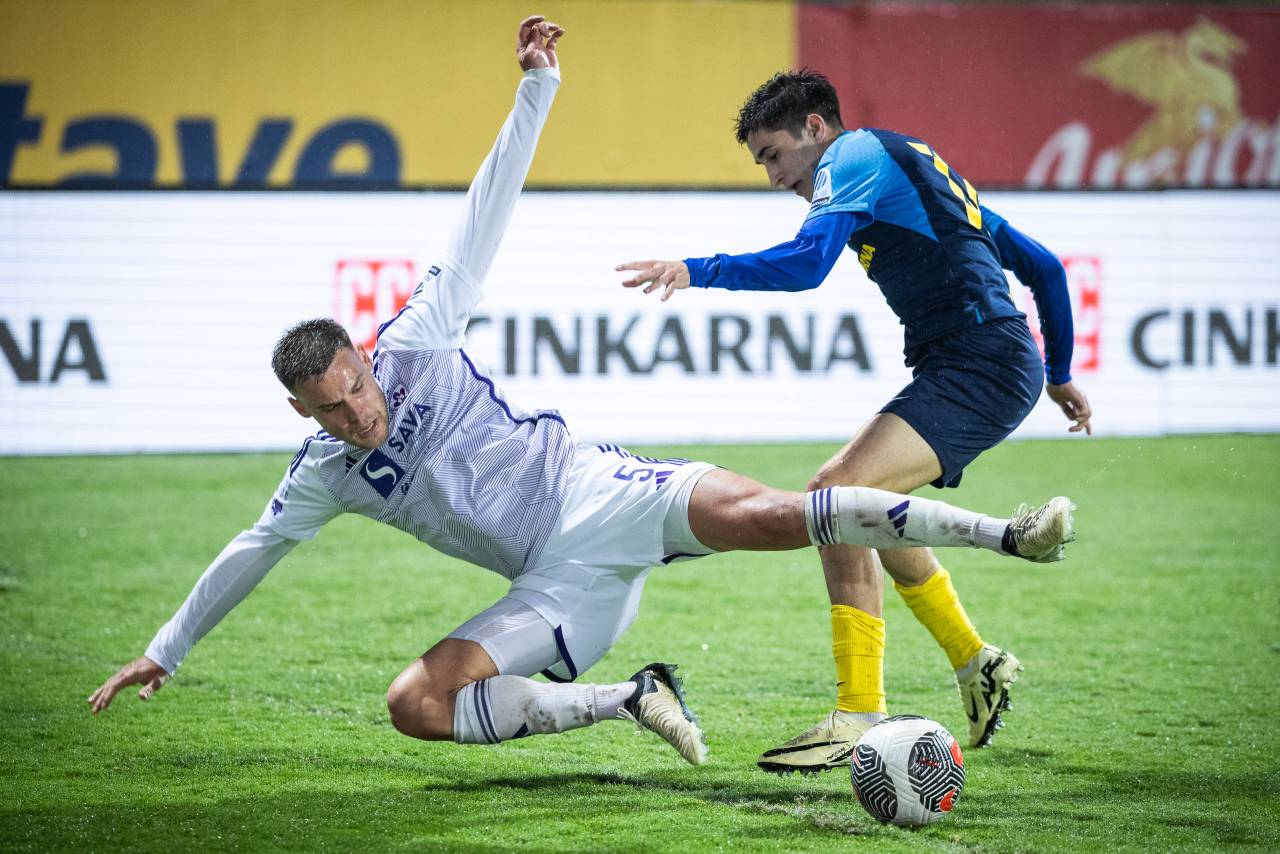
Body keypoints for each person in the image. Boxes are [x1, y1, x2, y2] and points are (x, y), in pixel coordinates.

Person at [88, 31, 1075, 769]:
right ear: (305, 417)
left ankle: (983, 568)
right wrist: (164, 649)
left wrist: (541, 93)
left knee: (803, 508)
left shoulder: (416, 338)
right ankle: (639, 696)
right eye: (333, 412)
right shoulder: (322, 473)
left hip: (599, 491)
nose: (360, 414)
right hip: (551, 587)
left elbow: (489, 209)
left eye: (358, 386)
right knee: (414, 705)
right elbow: (253, 547)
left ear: (363, 355)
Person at [616, 70, 1091, 773]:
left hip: (981, 364)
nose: (774, 177)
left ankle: (860, 709)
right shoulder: (910, 163)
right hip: (980, 362)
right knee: (866, 506)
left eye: (774, 155)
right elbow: (1044, 267)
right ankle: (974, 661)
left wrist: (698, 269)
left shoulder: (855, 156)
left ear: (815, 128)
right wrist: (1058, 373)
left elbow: (807, 264)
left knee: (833, 496)